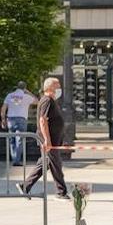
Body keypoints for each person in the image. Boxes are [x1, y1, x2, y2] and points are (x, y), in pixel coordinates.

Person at [18, 76, 69, 207]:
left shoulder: (51, 100)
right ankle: (61, 192)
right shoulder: (46, 100)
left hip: (53, 140)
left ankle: (25, 186)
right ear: (50, 87)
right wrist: (47, 140)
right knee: (56, 165)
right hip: (49, 140)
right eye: (57, 86)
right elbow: (43, 120)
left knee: (45, 163)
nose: (59, 88)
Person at [0, 82, 37, 165]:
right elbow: (37, 101)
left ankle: (14, 159)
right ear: (25, 88)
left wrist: (3, 120)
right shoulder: (26, 96)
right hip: (21, 119)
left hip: (10, 119)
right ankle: (16, 160)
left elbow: (3, 108)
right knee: (20, 140)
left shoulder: (9, 95)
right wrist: (28, 92)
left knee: (11, 140)